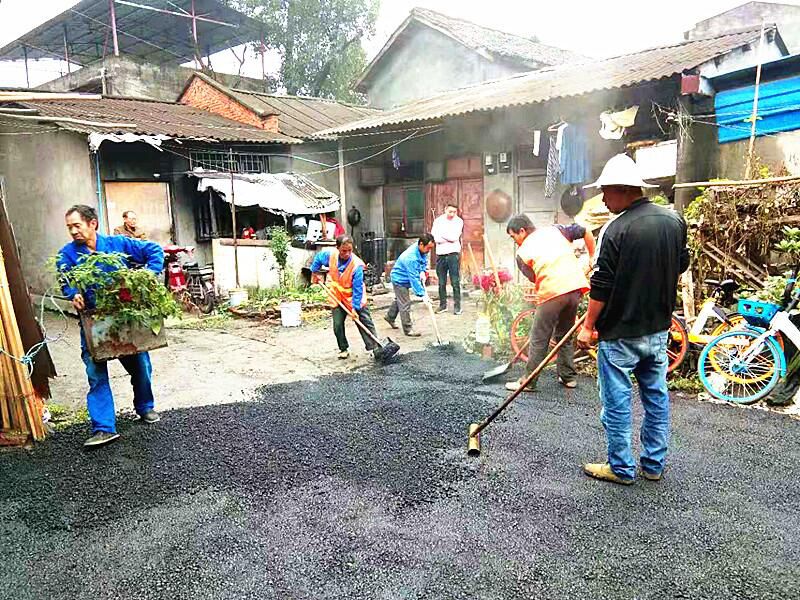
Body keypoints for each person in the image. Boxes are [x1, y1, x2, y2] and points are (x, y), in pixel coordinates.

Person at [576, 154, 689, 485]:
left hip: (620, 332)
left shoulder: (616, 228)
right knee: (656, 398)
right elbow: (681, 264)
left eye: (605, 194)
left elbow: (602, 285)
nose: (603, 201)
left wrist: (587, 326)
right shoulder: (674, 220)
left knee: (617, 401)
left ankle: (621, 468)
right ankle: (653, 464)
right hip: (657, 329)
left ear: (619, 190)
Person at [57, 205, 165, 448]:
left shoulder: (119, 244)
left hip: (123, 320)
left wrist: (148, 274)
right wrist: (73, 293)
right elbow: (64, 279)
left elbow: (154, 250)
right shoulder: (67, 254)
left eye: (77, 225)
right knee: (96, 375)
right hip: (93, 323)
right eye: (69, 227)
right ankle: (104, 427)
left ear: (92, 223)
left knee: (141, 367)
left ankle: (145, 407)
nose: (73, 231)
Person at [505, 215, 590, 393]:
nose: (515, 242)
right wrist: (593, 258)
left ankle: (528, 382)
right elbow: (584, 231)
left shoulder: (522, 254)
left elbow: (535, 278)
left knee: (539, 338)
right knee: (565, 334)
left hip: (553, 290)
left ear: (522, 231)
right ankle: (569, 377)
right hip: (575, 287)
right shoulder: (556, 230)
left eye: (514, 237)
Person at [310, 235, 379, 359]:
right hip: (336, 295)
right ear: (337, 248)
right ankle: (343, 348)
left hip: (353, 296)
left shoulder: (356, 265)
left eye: (350, 251)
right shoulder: (331, 256)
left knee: (364, 321)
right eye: (343, 251)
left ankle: (376, 348)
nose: (347, 254)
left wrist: (354, 308)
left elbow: (357, 289)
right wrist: (314, 272)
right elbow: (318, 258)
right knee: (337, 325)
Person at [385, 234, 435, 336]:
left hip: (406, 277)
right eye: (428, 248)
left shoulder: (421, 250)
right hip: (399, 279)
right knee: (405, 303)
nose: (429, 250)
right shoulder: (410, 258)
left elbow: (423, 262)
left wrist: (423, 271)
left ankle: (390, 317)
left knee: (400, 299)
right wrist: (423, 295)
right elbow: (414, 279)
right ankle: (408, 329)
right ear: (421, 244)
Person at [431, 202, 464, 315]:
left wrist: (442, 234)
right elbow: (435, 238)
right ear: (445, 210)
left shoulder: (459, 221)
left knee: (455, 281)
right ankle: (442, 305)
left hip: (453, 254)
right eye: (450, 211)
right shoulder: (438, 221)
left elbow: (454, 237)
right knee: (441, 282)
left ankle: (457, 306)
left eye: (454, 212)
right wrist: (447, 236)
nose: (452, 214)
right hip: (441, 254)